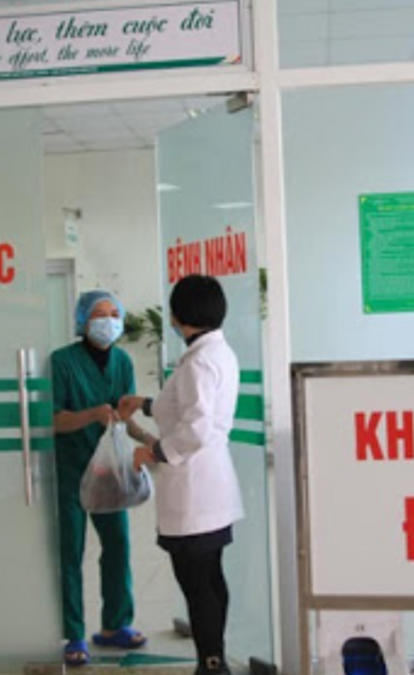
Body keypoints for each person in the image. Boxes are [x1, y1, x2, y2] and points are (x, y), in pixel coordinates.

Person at [119, 275, 244, 675]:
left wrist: (152, 451)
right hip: (208, 485)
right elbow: (185, 407)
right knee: (210, 579)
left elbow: (196, 429)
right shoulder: (214, 353)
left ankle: (211, 664)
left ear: (180, 314)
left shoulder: (199, 362)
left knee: (197, 584)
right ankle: (214, 659)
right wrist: (144, 404)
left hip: (195, 489)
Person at [51, 290, 156, 667]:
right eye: (99, 314)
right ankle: (73, 634)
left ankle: (115, 625)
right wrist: (90, 415)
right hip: (70, 469)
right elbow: (54, 420)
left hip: (109, 470)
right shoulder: (62, 362)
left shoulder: (123, 362)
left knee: (118, 545)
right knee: (70, 552)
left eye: (114, 314)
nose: (108, 321)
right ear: (83, 321)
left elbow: (123, 418)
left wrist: (148, 439)